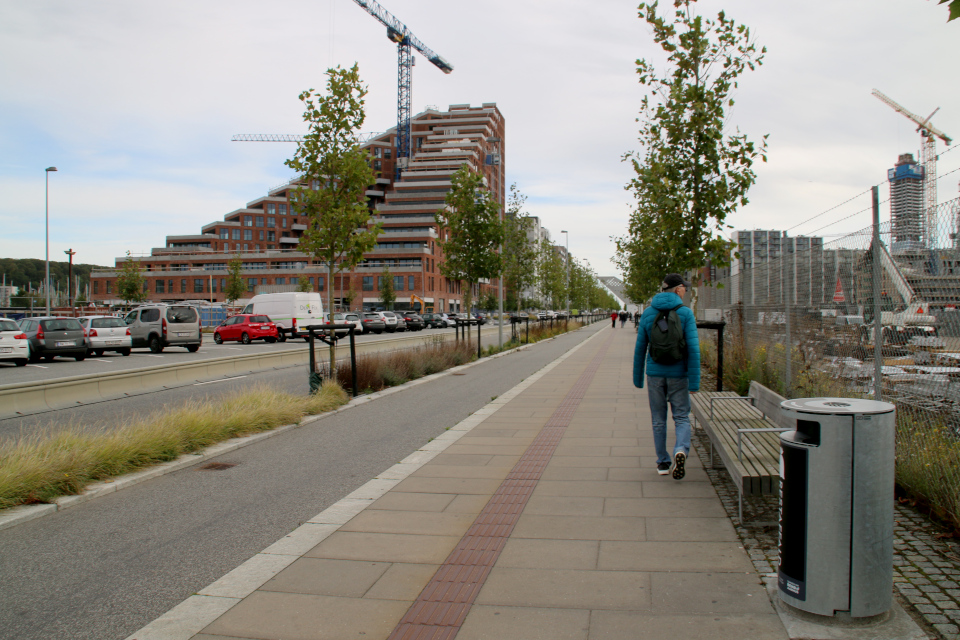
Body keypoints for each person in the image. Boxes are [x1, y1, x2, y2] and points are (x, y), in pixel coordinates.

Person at [633, 274, 700, 479]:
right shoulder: (686, 313)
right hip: (678, 373)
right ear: (677, 289)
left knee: (658, 419)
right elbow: (693, 349)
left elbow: (640, 348)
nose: (685, 291)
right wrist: (694, 382)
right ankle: (680, 449)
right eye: (684, 288)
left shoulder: (648, 313)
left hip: (654, 374)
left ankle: (663, 462)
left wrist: (638, 378)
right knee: (681, 416)